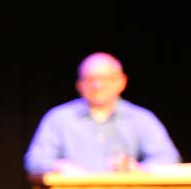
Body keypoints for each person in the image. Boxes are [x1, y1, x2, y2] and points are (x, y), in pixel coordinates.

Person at [24, 52, 181, 174]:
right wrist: (59, 167)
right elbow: (35, 160)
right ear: (79, 85)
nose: (97, 85)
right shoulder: (59, 119)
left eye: (105, 78)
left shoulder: (141, 119)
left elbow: (169, 159)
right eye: (90, 79)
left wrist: (138, 169)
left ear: (121, 82)